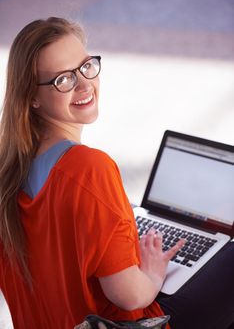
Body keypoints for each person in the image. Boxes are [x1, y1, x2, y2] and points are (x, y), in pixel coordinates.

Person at [0, 17, 233, 329]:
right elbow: (130, 296)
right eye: (63, 80)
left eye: (85, 66)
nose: (84, 84)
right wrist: (151, 270)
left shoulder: (8, 170)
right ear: (31, 97)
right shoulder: (90, 168)